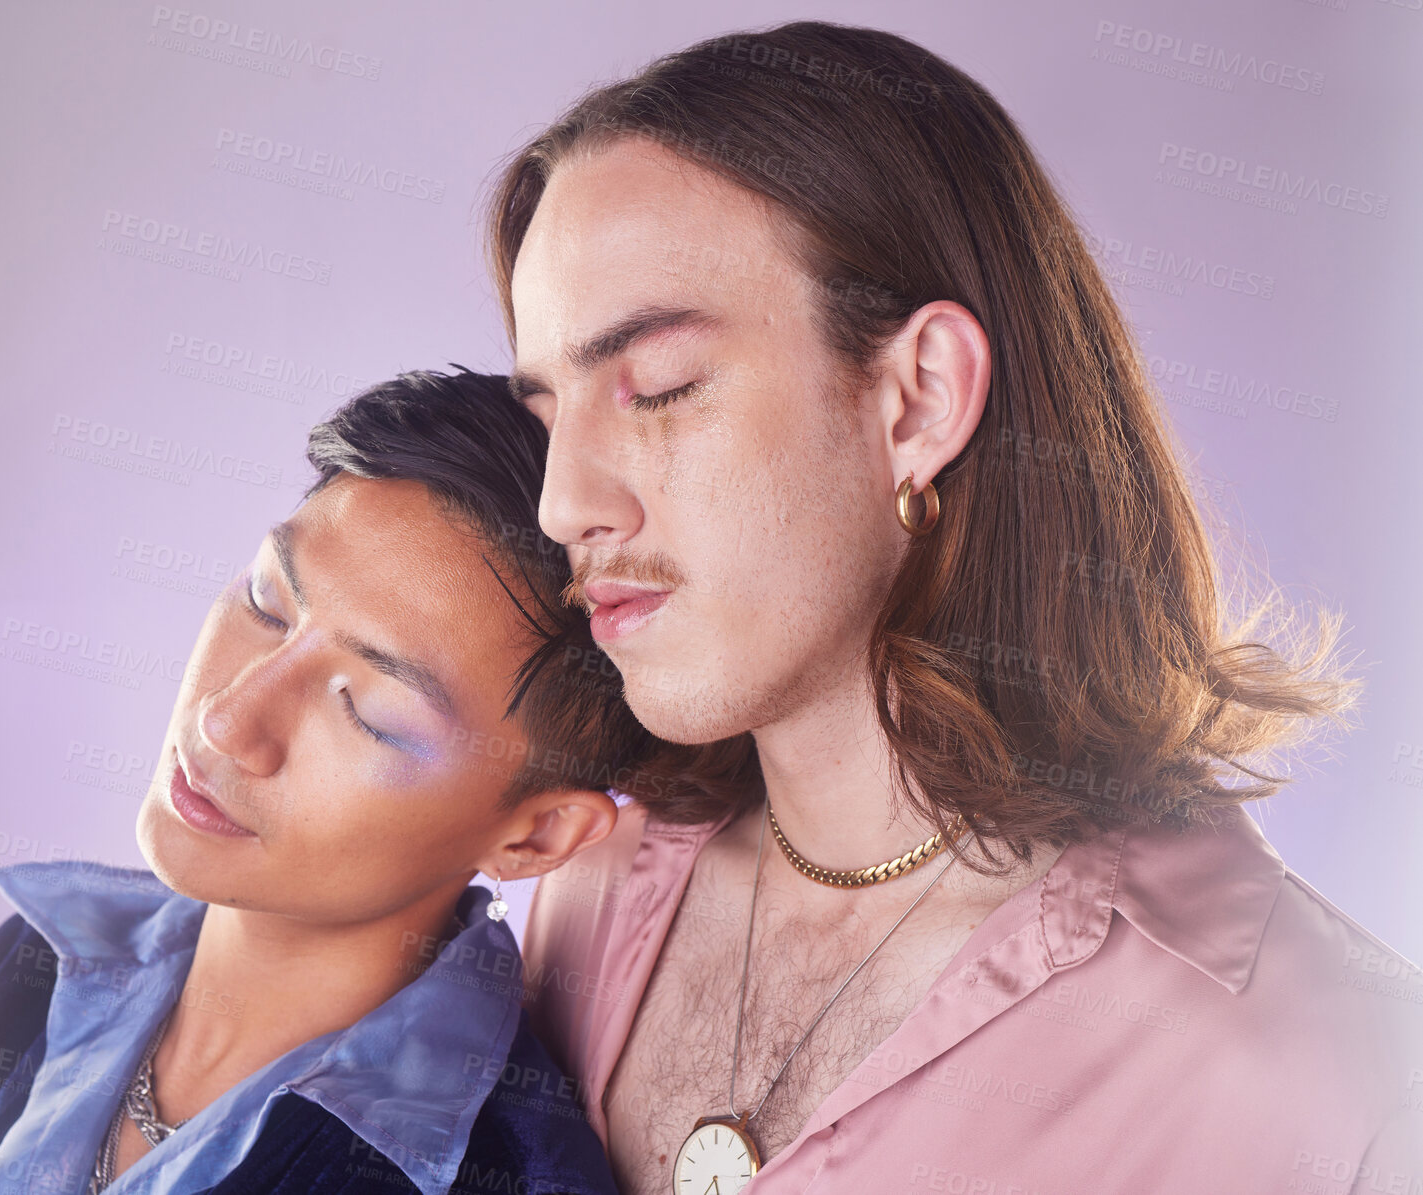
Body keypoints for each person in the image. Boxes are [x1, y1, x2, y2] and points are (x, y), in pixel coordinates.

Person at [486, 21, 1423, 1195]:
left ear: (919, 397)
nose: (564, 501)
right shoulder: (585, 891)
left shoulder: (1336, 1087)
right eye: (546, 419)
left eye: (660, 389)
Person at [0, 368, 703, 1195]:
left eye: (367, 711)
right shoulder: (35, 970)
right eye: (265, 602)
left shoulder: (504, 1173)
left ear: (534, 835)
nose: (227, 720)